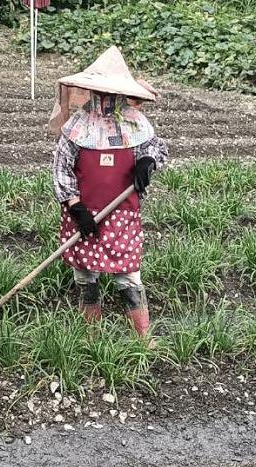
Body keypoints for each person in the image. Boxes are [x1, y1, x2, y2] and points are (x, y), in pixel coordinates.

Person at [49, 46, 169, 337]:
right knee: (85, 273)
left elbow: (156, 149)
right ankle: (91, 334)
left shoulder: (135, 124)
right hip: (84, 213)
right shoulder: (77, 126)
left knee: (128, 273)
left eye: (111, 93)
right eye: (100, 93)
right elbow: (62, 168)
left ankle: (143, 337)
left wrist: (147, 161)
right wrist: (75, 207)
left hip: (122, 212)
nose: (105, 100)